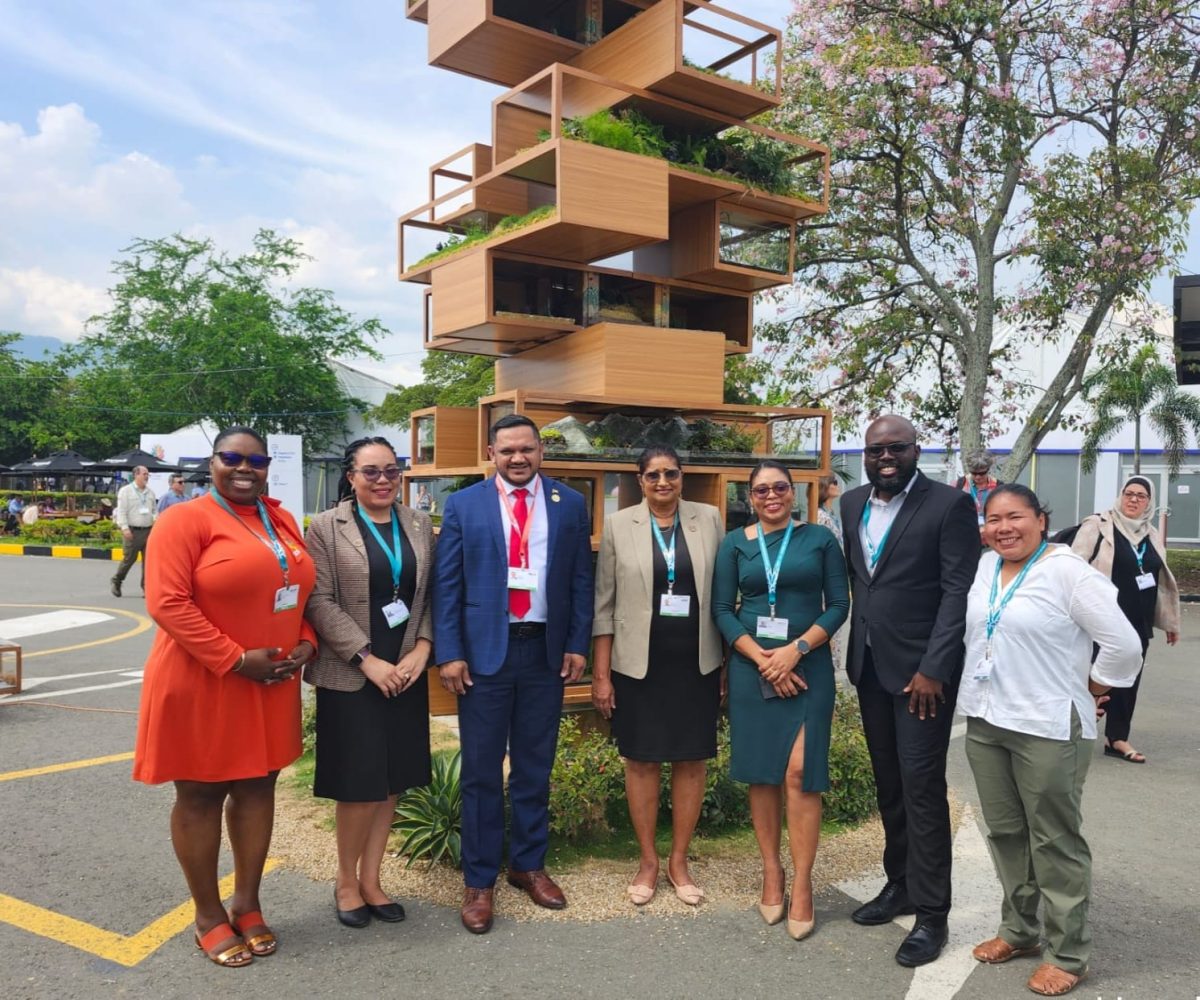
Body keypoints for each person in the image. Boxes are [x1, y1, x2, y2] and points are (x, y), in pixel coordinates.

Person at [132, 427, 316, 967]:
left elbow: (300, 589)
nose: (245, 467)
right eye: (231, 457)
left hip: (270, 680)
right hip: (204, 680)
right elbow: (167, 603)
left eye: (256, 460)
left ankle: (249, 904)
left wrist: (307, 641)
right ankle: (209, 915)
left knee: (259, 788)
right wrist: (236, 659)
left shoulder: (278, 518)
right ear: (211, 463)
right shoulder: (183, 520)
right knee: (201, 796)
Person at [964, 484, 1141, 996]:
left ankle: (1069, 952)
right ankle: (1020, 931)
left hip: (1047, 725)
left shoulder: (1067, 571)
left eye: (1015, 517)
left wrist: (1091, 686)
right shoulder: (985, 568)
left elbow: (1124, 644)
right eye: (993, 519)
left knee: (1054, 839)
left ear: (1041, 520)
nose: (1003, 528)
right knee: (1005, 833)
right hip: (988, 718)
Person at [433, 413, 593, 935]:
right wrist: (450, 652)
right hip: (484, 659)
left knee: (534, 766)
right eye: (507, 451)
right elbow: (448, 585)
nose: (518, 458)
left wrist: (576, 644)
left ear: (540, 451)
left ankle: (528, 864)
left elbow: (579, 581)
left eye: (527, 449)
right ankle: (479, 880)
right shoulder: (463, 505)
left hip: (544, 653)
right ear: (492, 453)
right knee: (481, 772)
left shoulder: (568, 504)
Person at [840, 415, 980, 967]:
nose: (886, 457)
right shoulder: (852, 505)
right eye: (877, 450)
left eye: (897, 448)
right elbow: (863, 583)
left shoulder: (948, 506)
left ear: (916, 450)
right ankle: (897, 884)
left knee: (922, 789)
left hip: (924, 679)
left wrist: (935, 668)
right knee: (889, 785)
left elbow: (956, 592)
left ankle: (931, 915)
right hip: (871, 668)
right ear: (866, 455)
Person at [712, 461, 849, 940]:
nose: (771, 496)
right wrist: (763, 659)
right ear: (750, 496)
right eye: (761, 489)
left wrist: (795, 651)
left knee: (799, 773)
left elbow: (839, 605)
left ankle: (805, 883)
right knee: (763, 774)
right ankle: (772, 871)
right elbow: (721, 611)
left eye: (780, 488)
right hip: (754, 667)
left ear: (794, 493)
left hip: (807, 666)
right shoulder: (735, 544)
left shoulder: (819, 539)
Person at [304, 437, 435, 929]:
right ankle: (345, 880)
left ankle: (373, 879)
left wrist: (422, 648)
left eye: (392, 471)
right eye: (372, 472)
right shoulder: (325, 527)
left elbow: (431, 594)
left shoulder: (419, 524)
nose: (383, 480)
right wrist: (367, 659)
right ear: (352, 476)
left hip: (406, 672)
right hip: (353, 675)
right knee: (359, 786)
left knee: (391, 782)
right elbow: (318, 600)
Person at [591, 446, 725, 907]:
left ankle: (679, 860)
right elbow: (604, 605)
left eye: (671, 473)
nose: (663, 482)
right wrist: (602, 675)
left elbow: (723, 595)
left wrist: (727, 660)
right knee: (642, 762)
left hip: (697, 663)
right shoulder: (617, 524)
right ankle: (648, 860)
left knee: (691, 761)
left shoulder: (708, 519)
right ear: (640, 480)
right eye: (653, 475)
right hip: (637, 666)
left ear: (682, 476)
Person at [1069, 475, 1181, 764]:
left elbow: (1159, 580)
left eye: (1141, 496)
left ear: (1149, 502)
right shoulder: (1098, 526)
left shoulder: (1151, 533)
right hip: (1099, 618)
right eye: (1129, 494)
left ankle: (1117, 737)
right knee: (1090, 675)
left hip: (1137, 620)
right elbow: (1073, 566)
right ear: (1120, 496)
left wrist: (1169, 622)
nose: (1133, 500)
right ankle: (1073, 732)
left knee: (1128, 680)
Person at [111, 465, 157, 597]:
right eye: (144, 474)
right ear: (136, 475)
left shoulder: (150, 493)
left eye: (147, 474)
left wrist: (155, 519)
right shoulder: (126, 491)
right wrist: (124, 528)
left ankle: (146, 588)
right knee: (129, 559)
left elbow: (154, 510)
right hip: (132, 530)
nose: (146, 477)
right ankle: (117, 580)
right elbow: (122, 511)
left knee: (148, 561)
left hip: (148, 531)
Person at [816, 474, 845, 669]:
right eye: (833, 482)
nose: (837, 485)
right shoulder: (820, 517)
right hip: (825, 581)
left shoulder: (831, 513)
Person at [955, 448, 1001, 534]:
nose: (977, 477)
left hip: (991, 532)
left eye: (982, 473)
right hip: (964, 531)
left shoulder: (999, 486)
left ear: (988, 469)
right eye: (974, 473)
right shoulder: (959, 485)